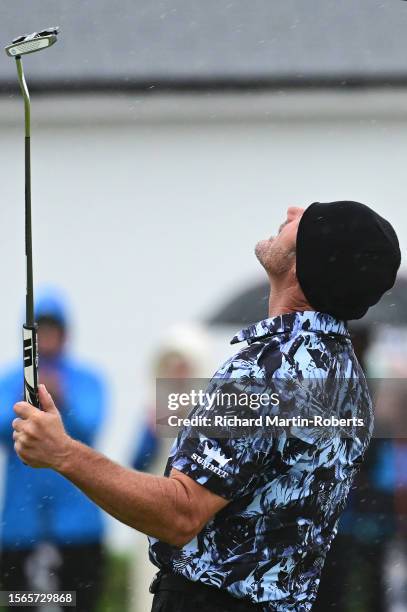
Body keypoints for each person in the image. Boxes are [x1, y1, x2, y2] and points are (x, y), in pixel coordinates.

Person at [10, 202, 400, 611]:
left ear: (307, 264)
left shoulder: (267, 370)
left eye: (306, 220)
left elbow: (180, 513)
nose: (291, 210)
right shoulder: (349, 377)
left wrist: (62, 453)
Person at [0, 288, 108, 612]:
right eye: (39, 330)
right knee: (22, 606)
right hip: (22, 529)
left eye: (52, 329)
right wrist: (24, 403)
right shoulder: (9, 382)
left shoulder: (88, 380)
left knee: (79, 606)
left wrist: (61, 400)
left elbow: (90, 427)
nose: (46, 338)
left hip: (78, 529)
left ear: (64, 333)